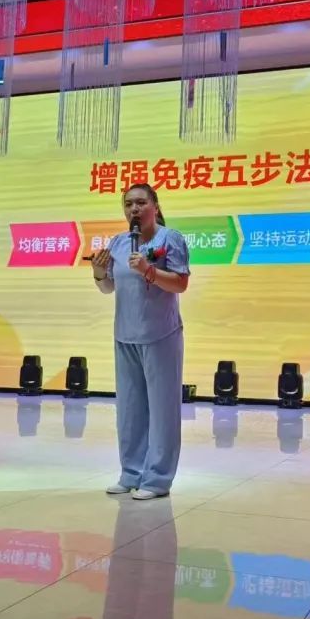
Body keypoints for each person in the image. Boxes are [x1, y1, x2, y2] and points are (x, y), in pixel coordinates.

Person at [91, 183, 190, 500]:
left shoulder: (170, 238)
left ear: (155, 206)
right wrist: (99, 273)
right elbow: (109, 288)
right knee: (130, 409)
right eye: (128, 204)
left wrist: (149, 270)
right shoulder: (119, 243)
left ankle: (157, 479)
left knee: (162, 410)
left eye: (141, 202)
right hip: (125, 335)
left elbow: (180, 283)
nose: (134, 209)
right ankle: (131, 472)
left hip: (161, 335)